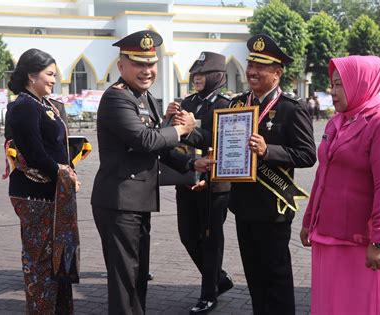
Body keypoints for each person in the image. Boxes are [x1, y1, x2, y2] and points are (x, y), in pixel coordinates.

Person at [90, 30, 199, 315]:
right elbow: (145, 140)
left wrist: (192, 166)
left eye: (151, 63)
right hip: (119, 202)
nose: (147, 70)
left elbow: (158, 149)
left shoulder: (145, 98)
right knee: (124, 280)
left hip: (137, 202)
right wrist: (181, 129)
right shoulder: (117, 99)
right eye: (139, 63)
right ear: (121, 65)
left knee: (138, 276)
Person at [300, 55, 380, 315]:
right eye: (332, 84)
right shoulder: (337, 122)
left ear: (360, 84)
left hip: (362, 242)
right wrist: (309, 221)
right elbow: (322, 175)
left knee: (362, 306)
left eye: (340, 84)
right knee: (329, 306)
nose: (332, 91)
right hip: (327, 236)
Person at [228, 34, 316, 314]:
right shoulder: (238, 104)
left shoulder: (291, 108)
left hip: (273, 208)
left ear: (277, 73)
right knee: (254, 279)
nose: (252, 71)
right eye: (250, 64)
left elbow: (307, 155)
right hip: (243, 205)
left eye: (261, 67)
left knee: (276, 279)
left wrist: (269, 151)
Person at [5, 48, 80, 313]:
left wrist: (69, 168)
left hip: (53, 191)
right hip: (34, 194)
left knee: (60, 255)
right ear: (31, 75)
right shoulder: (23, 106)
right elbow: (34, 153)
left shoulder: (45, 104)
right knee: (41, 260)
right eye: (49, 74)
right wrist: (63, 171)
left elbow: (56, 145)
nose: (53, 80)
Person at [165, 51, 233, 314]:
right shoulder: (188, 102)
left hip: (214, 185)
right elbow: (175, 139)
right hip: (185, 179)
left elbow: (223, 142)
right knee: (187, 236)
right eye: (195, 73)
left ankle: (208, 294)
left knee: (211, 239)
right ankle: (219, 278)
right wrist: (169, 119)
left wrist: (193, 129)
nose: (197, 78)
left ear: (218, 76)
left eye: (203, 74)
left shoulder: (227, 105)